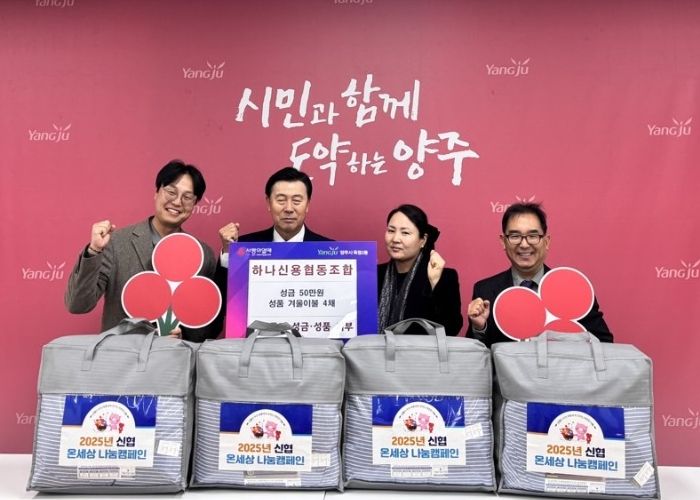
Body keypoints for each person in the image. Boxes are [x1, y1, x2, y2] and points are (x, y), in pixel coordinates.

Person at [65, 160, 219, 342]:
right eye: (171, 192)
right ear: (156, 192)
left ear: (195, 204)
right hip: (122, 355)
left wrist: (183, 336)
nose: (177, 202)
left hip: (172, 357)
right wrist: (94, 251)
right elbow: (78, 304)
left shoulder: (203, 255)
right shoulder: (116, 242)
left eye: (187, 197)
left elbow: (204, 327)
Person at [466, 202, 613, 347]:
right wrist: (479, 328)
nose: (524, 244)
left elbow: (604, 343)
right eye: (515, 236)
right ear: (503, 241)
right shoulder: (485, 291)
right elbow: (474, 354)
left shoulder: (574, 289)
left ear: (546, 241)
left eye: (533, 236)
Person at [218, 167, 331, 270]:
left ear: (307, 205)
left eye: (296, 201)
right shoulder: (243, 247)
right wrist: (229, 253)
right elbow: (222, 286)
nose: (288, 208)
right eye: (281, 200)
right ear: (268, 203)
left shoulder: (330, 251)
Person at [377, 204, 463, 336]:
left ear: (423, 240)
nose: (395, 239)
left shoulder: (444, 276)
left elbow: (451, 329)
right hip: (375, 349)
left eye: (405, 233)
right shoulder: (373, 275)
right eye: (391, 231)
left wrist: (435, 284)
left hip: (421, 350)